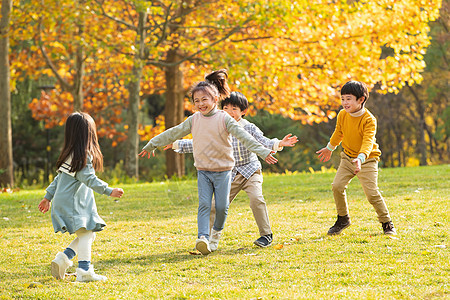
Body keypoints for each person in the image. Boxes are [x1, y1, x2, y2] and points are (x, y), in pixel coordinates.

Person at [139, 70, 278, 255]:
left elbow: (246, 138)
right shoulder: (194, 120)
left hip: (224, 172)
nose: (200, 104)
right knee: (205, 205)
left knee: (221, 207)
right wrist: (152, 144)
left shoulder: (224, 119)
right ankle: (202, 237)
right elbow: (173, 132)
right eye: (196, 101)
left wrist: (264, 152)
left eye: (204, 100)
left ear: (214, 99)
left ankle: (215, 236)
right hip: (203, 171)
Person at [166, 91, 298, 247]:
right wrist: (176, 144)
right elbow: (200, 145)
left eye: (234, 109)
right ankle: (205, 239)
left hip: (250, 171)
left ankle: (266, 235)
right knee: (215, 206)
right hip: (229, 174)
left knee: (257, 199)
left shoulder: (249, 127)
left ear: (243, 112)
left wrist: (279, 144)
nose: (229, 112)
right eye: (226, 108)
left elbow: (262, 141)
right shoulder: (218, 128)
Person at [38, 112, 124, 282]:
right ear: (88, 134)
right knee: (86, 235)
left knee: (89, 234)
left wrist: (47, 197)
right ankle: (84, 272)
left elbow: (58, 179)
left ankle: (63, 259)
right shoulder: (83, 156)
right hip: (73, 204)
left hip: (64, 203)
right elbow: (89, 179)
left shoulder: (70, 154)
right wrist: (109, 190)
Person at [316, 81, 396, 236]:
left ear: (361, 100)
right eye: (343, 99)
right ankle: (343, 219)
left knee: (372, 194)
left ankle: (387, 223)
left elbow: (368, 142)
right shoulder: (342, 115)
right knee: (337, 186)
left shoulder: (369, 119)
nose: (345, 103)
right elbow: (339, 133)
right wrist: (329, 148)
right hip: (347, 158)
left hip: (367, 160)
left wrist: (360, 159)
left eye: (349, 99)